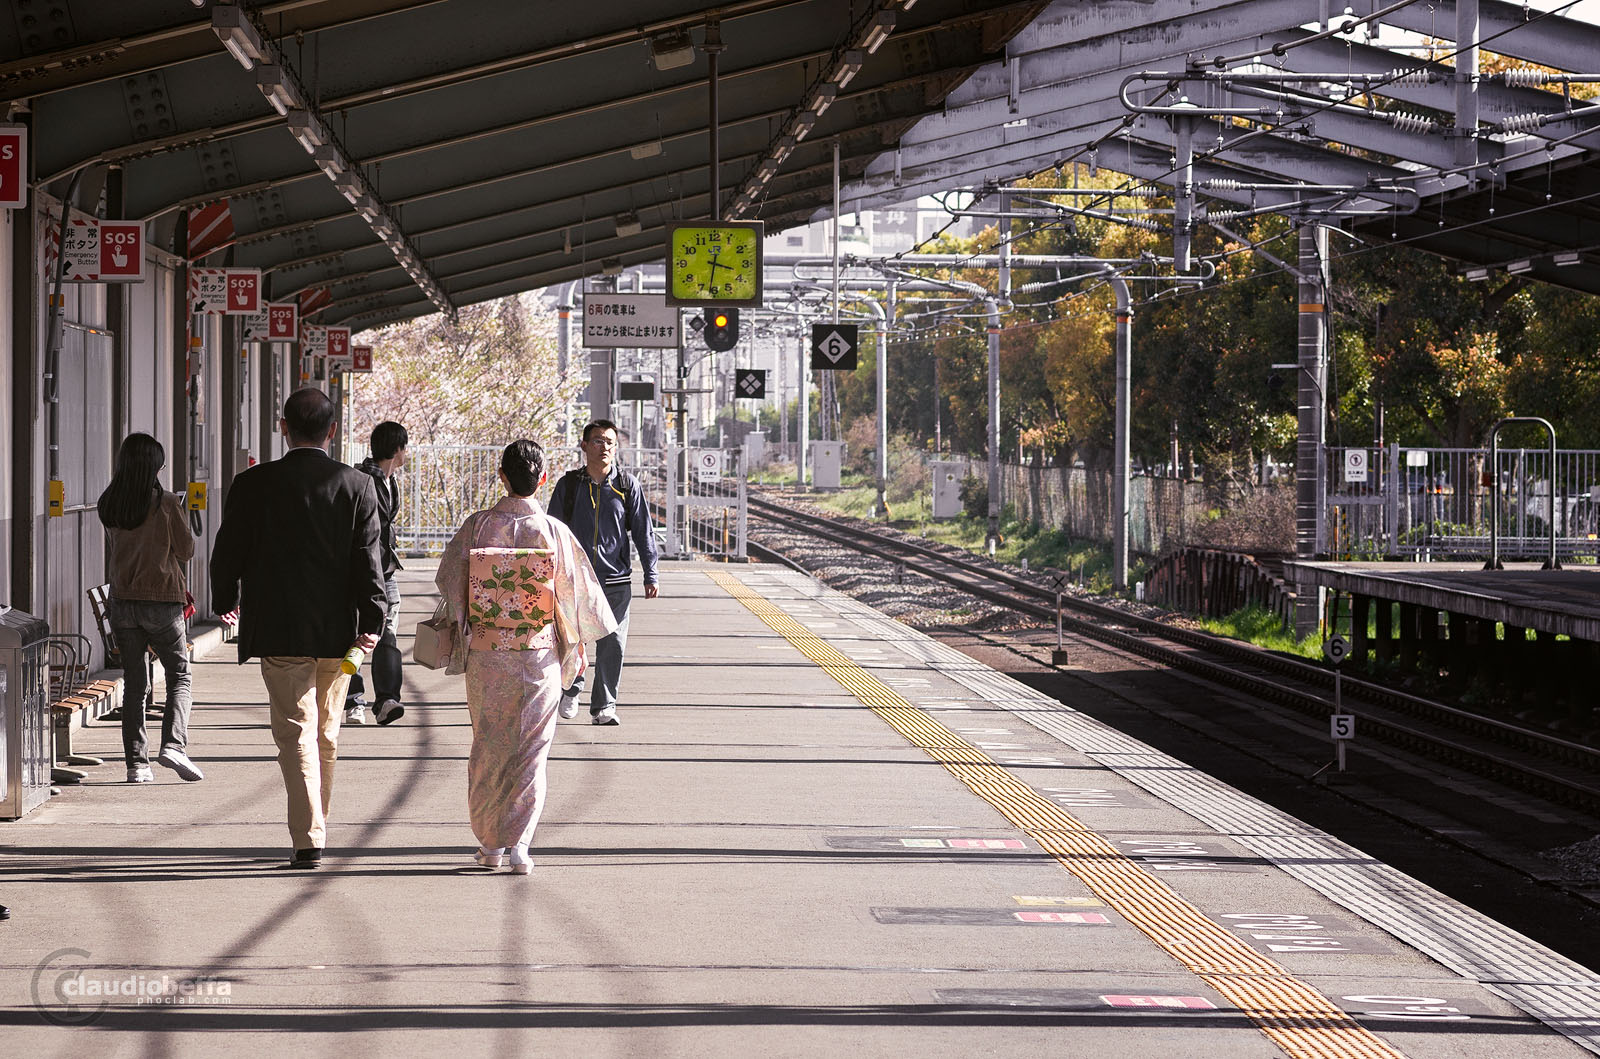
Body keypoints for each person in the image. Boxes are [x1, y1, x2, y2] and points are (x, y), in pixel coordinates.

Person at [209, 388, 386, 870]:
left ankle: (310, 836)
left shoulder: (252, 484)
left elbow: (227, 553)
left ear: (282, 427)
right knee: (325, 733)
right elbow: (367, 562)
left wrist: (225, 602)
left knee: (295, 732)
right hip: (337, 632)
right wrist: (373, 621)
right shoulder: (357, 486)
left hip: (280, 627)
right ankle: (315, 827)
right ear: (332, 431)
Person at [436, 440, 616, 873]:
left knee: (489, 746)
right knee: (532, 750)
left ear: (501, 476)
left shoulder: (477, 527)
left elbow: (451, 582)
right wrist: (576, 645)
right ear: (543, 478)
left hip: (486, 654)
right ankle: (520, 846)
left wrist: (472, 620)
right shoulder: (554, 532)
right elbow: (577, 599)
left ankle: (490, 844)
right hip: (538, 656)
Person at [96, 432, 201, 784]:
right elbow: (186, 551)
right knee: (179, 675)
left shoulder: (109, 503)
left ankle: (137, 765)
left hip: (123, 604)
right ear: (155, 467)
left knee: (135, 684)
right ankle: (173, 744)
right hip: (162, 604)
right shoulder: (167, 502)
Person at [547, 420, 659, 726]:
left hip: (615, 580)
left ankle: (604, 706)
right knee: (573, 639)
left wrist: (651, 572)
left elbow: (642, 532)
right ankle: (571, 688)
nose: (604, 447)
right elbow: (551, 532)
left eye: (610, 442)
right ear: (583, 446)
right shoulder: (568, 486)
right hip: (574, 579)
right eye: (597, 441)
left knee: (613, 642)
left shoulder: (626, 486)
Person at [343, 421, 408, 727]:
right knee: (360, 633)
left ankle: (386, 699)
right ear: (397, 449)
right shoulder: (364, 479)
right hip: (364, 571)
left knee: (387, 634)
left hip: (386, 570)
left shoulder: (388, 481)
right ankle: (354, 699)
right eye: (405, 447)